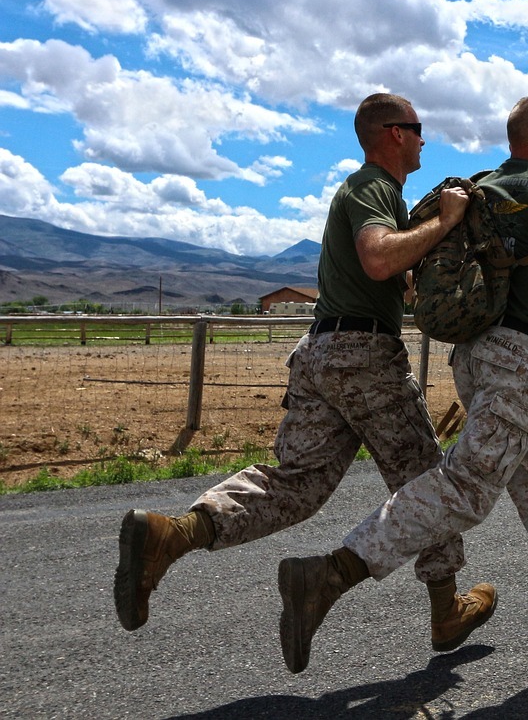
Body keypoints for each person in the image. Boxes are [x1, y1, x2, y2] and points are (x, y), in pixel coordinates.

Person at [114, 93, 496, 656]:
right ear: (392, 134)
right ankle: (445, 610)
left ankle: (173, 536)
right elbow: (377, 257)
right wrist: (445, 221)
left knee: (296, 484)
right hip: (361, 355)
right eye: (417, 129)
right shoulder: (373, 187)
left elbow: (385, 274)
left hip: (321, 352)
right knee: (425, 480)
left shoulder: (374, 195)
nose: (422, 139)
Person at [275, 96, 528, 674]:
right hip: (518, 358)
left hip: (473, 358)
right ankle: (331, 572)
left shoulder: (480, 188)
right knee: (467, 485)